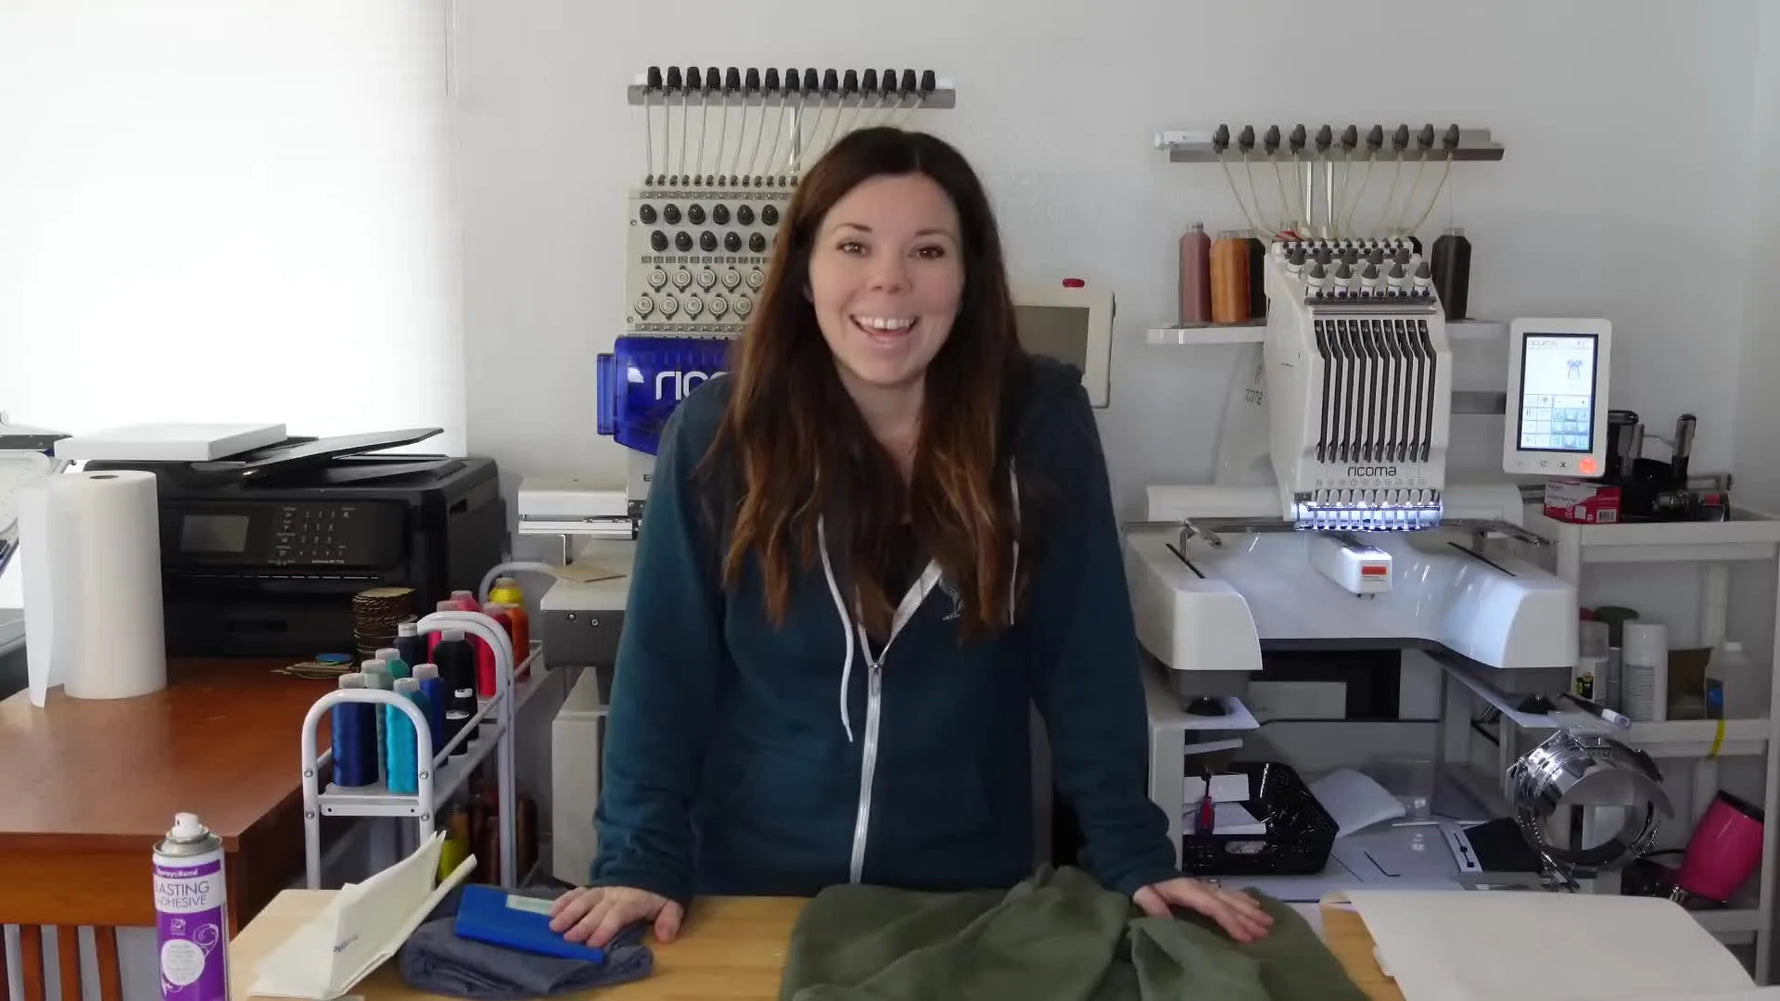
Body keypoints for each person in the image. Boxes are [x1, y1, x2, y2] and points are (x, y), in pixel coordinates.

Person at [549, 127, 1273, 949]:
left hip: (966, 906)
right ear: (804, 271)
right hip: (753, 903)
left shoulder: (1038, 425)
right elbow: (663, 670)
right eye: (854, 245)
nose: (888, 279)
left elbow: (1087, 664)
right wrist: (639, 857)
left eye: (928, 250)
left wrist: (1134, 854)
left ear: (968, 277)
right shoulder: (720, 433)